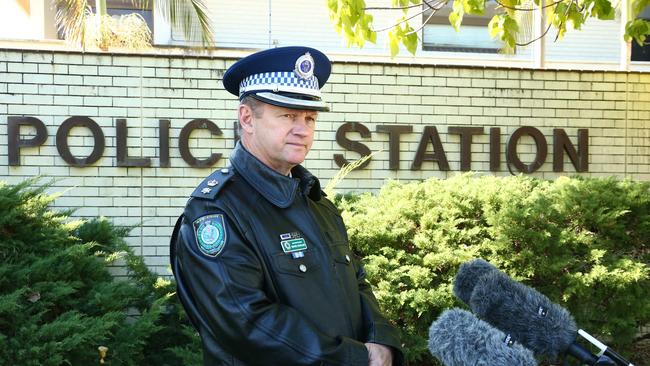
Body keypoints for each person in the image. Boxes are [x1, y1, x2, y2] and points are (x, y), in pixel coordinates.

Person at [170, 46, 403, 366]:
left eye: (309, 117)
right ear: (247, 118)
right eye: (288, 115)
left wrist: (382, 341)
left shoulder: (316, 203)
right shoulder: (216, 212)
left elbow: (356, 281)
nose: (303, 129)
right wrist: (355, 358)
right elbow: (247, 323)